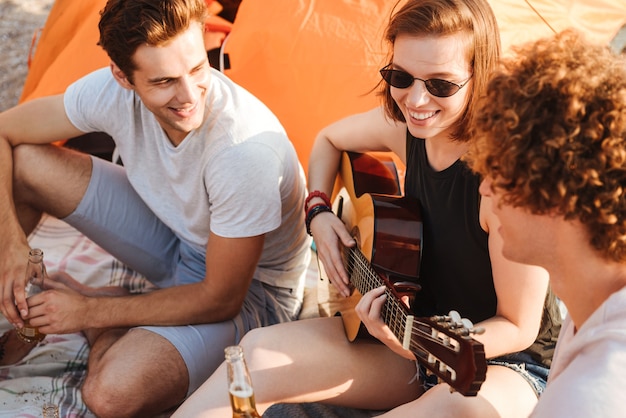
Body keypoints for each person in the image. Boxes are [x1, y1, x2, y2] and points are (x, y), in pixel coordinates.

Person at [174, 0, 561, 417]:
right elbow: (327, 140)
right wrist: (319, 213)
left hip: (505, 366)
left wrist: (419, 339)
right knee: (256, 356)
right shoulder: (406, 129)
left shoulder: (503, 181)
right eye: (401, 76)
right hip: (406, 340)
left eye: (441, 85)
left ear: (478, 76)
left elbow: (518, 326)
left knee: (448, 411)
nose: (415, 99)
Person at [0, 0, 311, 416]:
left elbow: (221, 299)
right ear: (122, 76)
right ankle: (21, 305)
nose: (189, 96)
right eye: (164, 81)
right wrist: (11, 243)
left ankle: (105, 320)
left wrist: (90, 311)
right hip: (175, 237)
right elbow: (4, 132)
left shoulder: (244, 150)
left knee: (109, 395)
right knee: (24, 164)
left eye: (199, 69)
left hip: (255, 292)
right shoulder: (110, 92)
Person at [467, 29, 626, 418]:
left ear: (558, 192)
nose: (484, 188)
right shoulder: (592, 301)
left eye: (499, 172)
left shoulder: (595, 395)